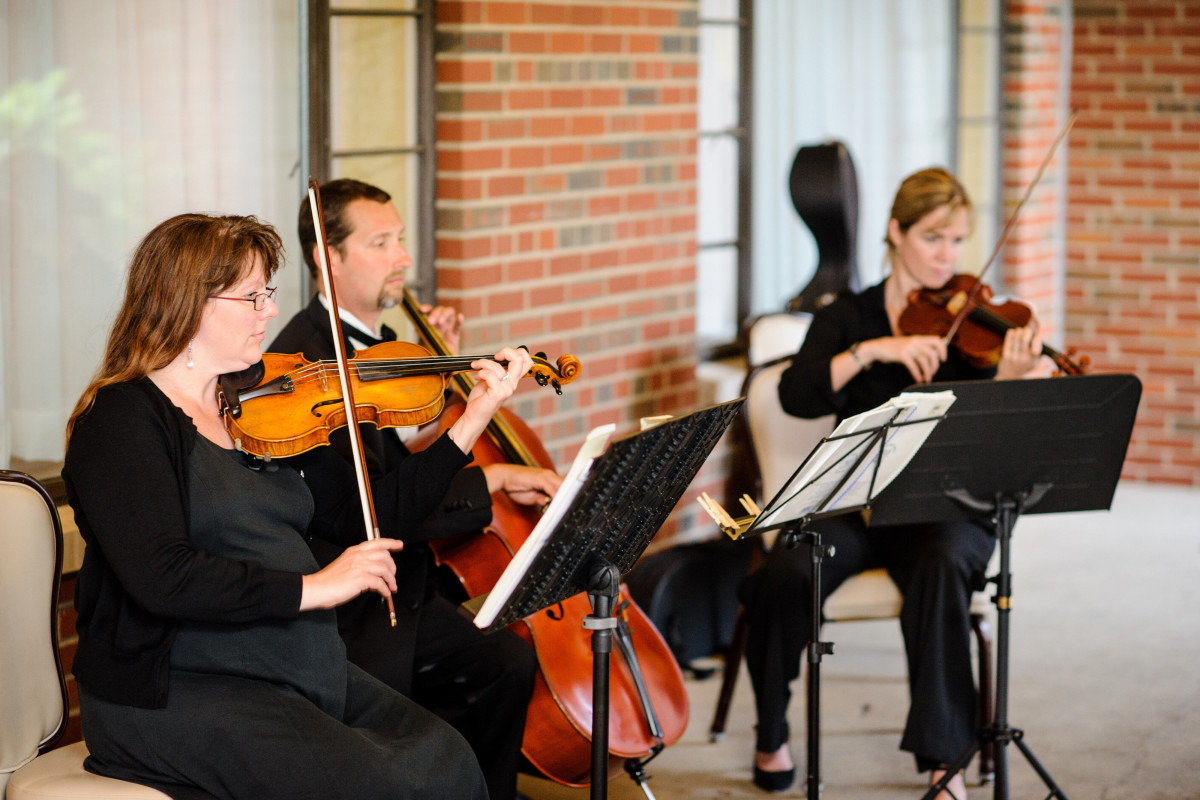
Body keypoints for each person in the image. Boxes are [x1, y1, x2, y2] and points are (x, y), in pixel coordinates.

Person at [62, 213, 492, 799]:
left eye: (269, 293)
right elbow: (163, 578)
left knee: (448, 759)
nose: (270, 311)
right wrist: (317, 587)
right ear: (187, 303)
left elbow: (368, 516)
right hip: (176, 687)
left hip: (290, 661)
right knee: (377, 787)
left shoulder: (258, 405)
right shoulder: (121, 422)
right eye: (252, 296)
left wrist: (466, 426)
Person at [741, 167, 1043, 799]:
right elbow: (796, 394)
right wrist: (875, 350)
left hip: (943, 507)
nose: (948, 257)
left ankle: (944, 761)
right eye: (934, 238)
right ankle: (771, 731)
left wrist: (1009, 386)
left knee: (945, 562)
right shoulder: (848, 316)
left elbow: (996, 442)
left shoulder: (974, 327)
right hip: (857, 505)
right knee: (785, 570)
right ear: (895, 232)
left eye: (958, 241)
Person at [271, 178, 560, 800]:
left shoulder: (384, 353)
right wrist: (473, 430)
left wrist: (442, 381)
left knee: (507, 663)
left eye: (400, 240)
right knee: (452, 704)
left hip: (407, 587)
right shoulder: (302, 368)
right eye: (382, 242)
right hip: (347, 611)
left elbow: (395, 459)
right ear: (330, 258)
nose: (404, 258)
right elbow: (372, 512)